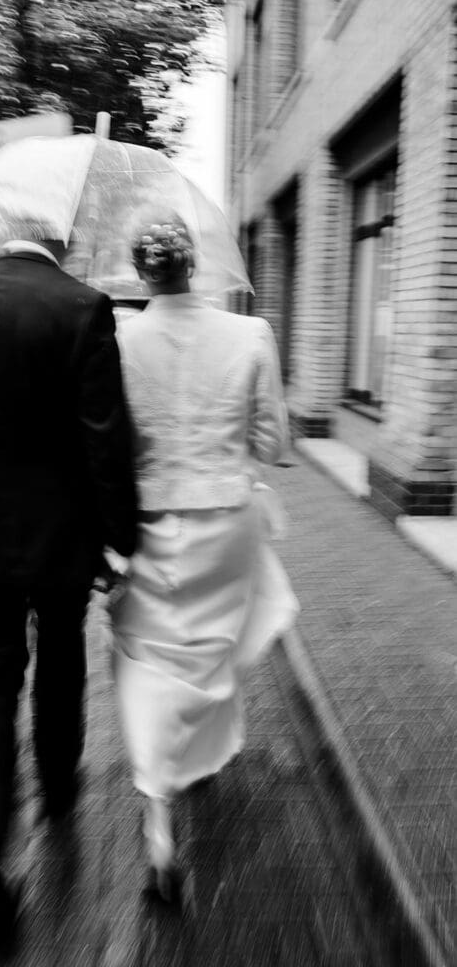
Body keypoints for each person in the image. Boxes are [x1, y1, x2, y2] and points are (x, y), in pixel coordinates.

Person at [0, 225, 138, 943]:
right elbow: (103, 436)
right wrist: (122, 538)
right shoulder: (84, 307)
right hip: (61, 531)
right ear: (63, 237)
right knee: (61, 653)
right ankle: (56, 784)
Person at [110, 213, 299, 901]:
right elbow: (274, 441)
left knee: (149, 655)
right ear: (195, 264)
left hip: (151, 520)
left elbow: (113, 443)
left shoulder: (119, 341)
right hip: (226, 521)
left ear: (140, 272)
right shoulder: (249, 334)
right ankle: (203, 756)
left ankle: (159, 827)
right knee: (210, 650)